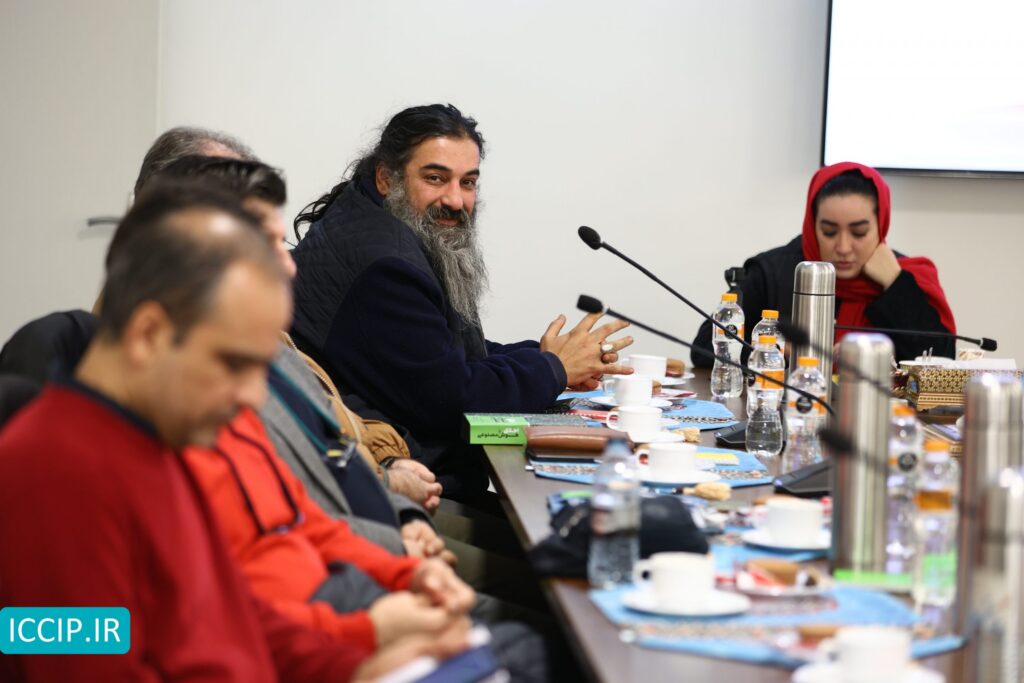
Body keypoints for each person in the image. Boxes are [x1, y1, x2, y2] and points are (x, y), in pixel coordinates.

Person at [0, 180, 468, 681]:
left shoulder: (162, 441)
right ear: (149, 334)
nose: (251, 398)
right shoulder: (50, 474)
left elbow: (228, 620)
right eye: (232, 364)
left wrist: (361, 650)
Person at [290, 103, 633, 501]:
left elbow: (441, 353)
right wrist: (552, 369)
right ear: (386, 177)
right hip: (407, 498)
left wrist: (549, 358)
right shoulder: (387, 266)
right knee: (573, 518)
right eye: (435, 178)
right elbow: (452, 400)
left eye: (468, 182)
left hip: (403, 478)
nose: (455, 200)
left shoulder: (368, 219)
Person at [692, 161, 956, 365]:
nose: (843, 247)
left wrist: (896, 284)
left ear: (881, 225)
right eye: (829, 232)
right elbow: (704, 347)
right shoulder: (773, 272)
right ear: (812, 225)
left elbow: (941, 362)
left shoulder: (904, 276)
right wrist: (790, 350)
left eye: (859, 233)